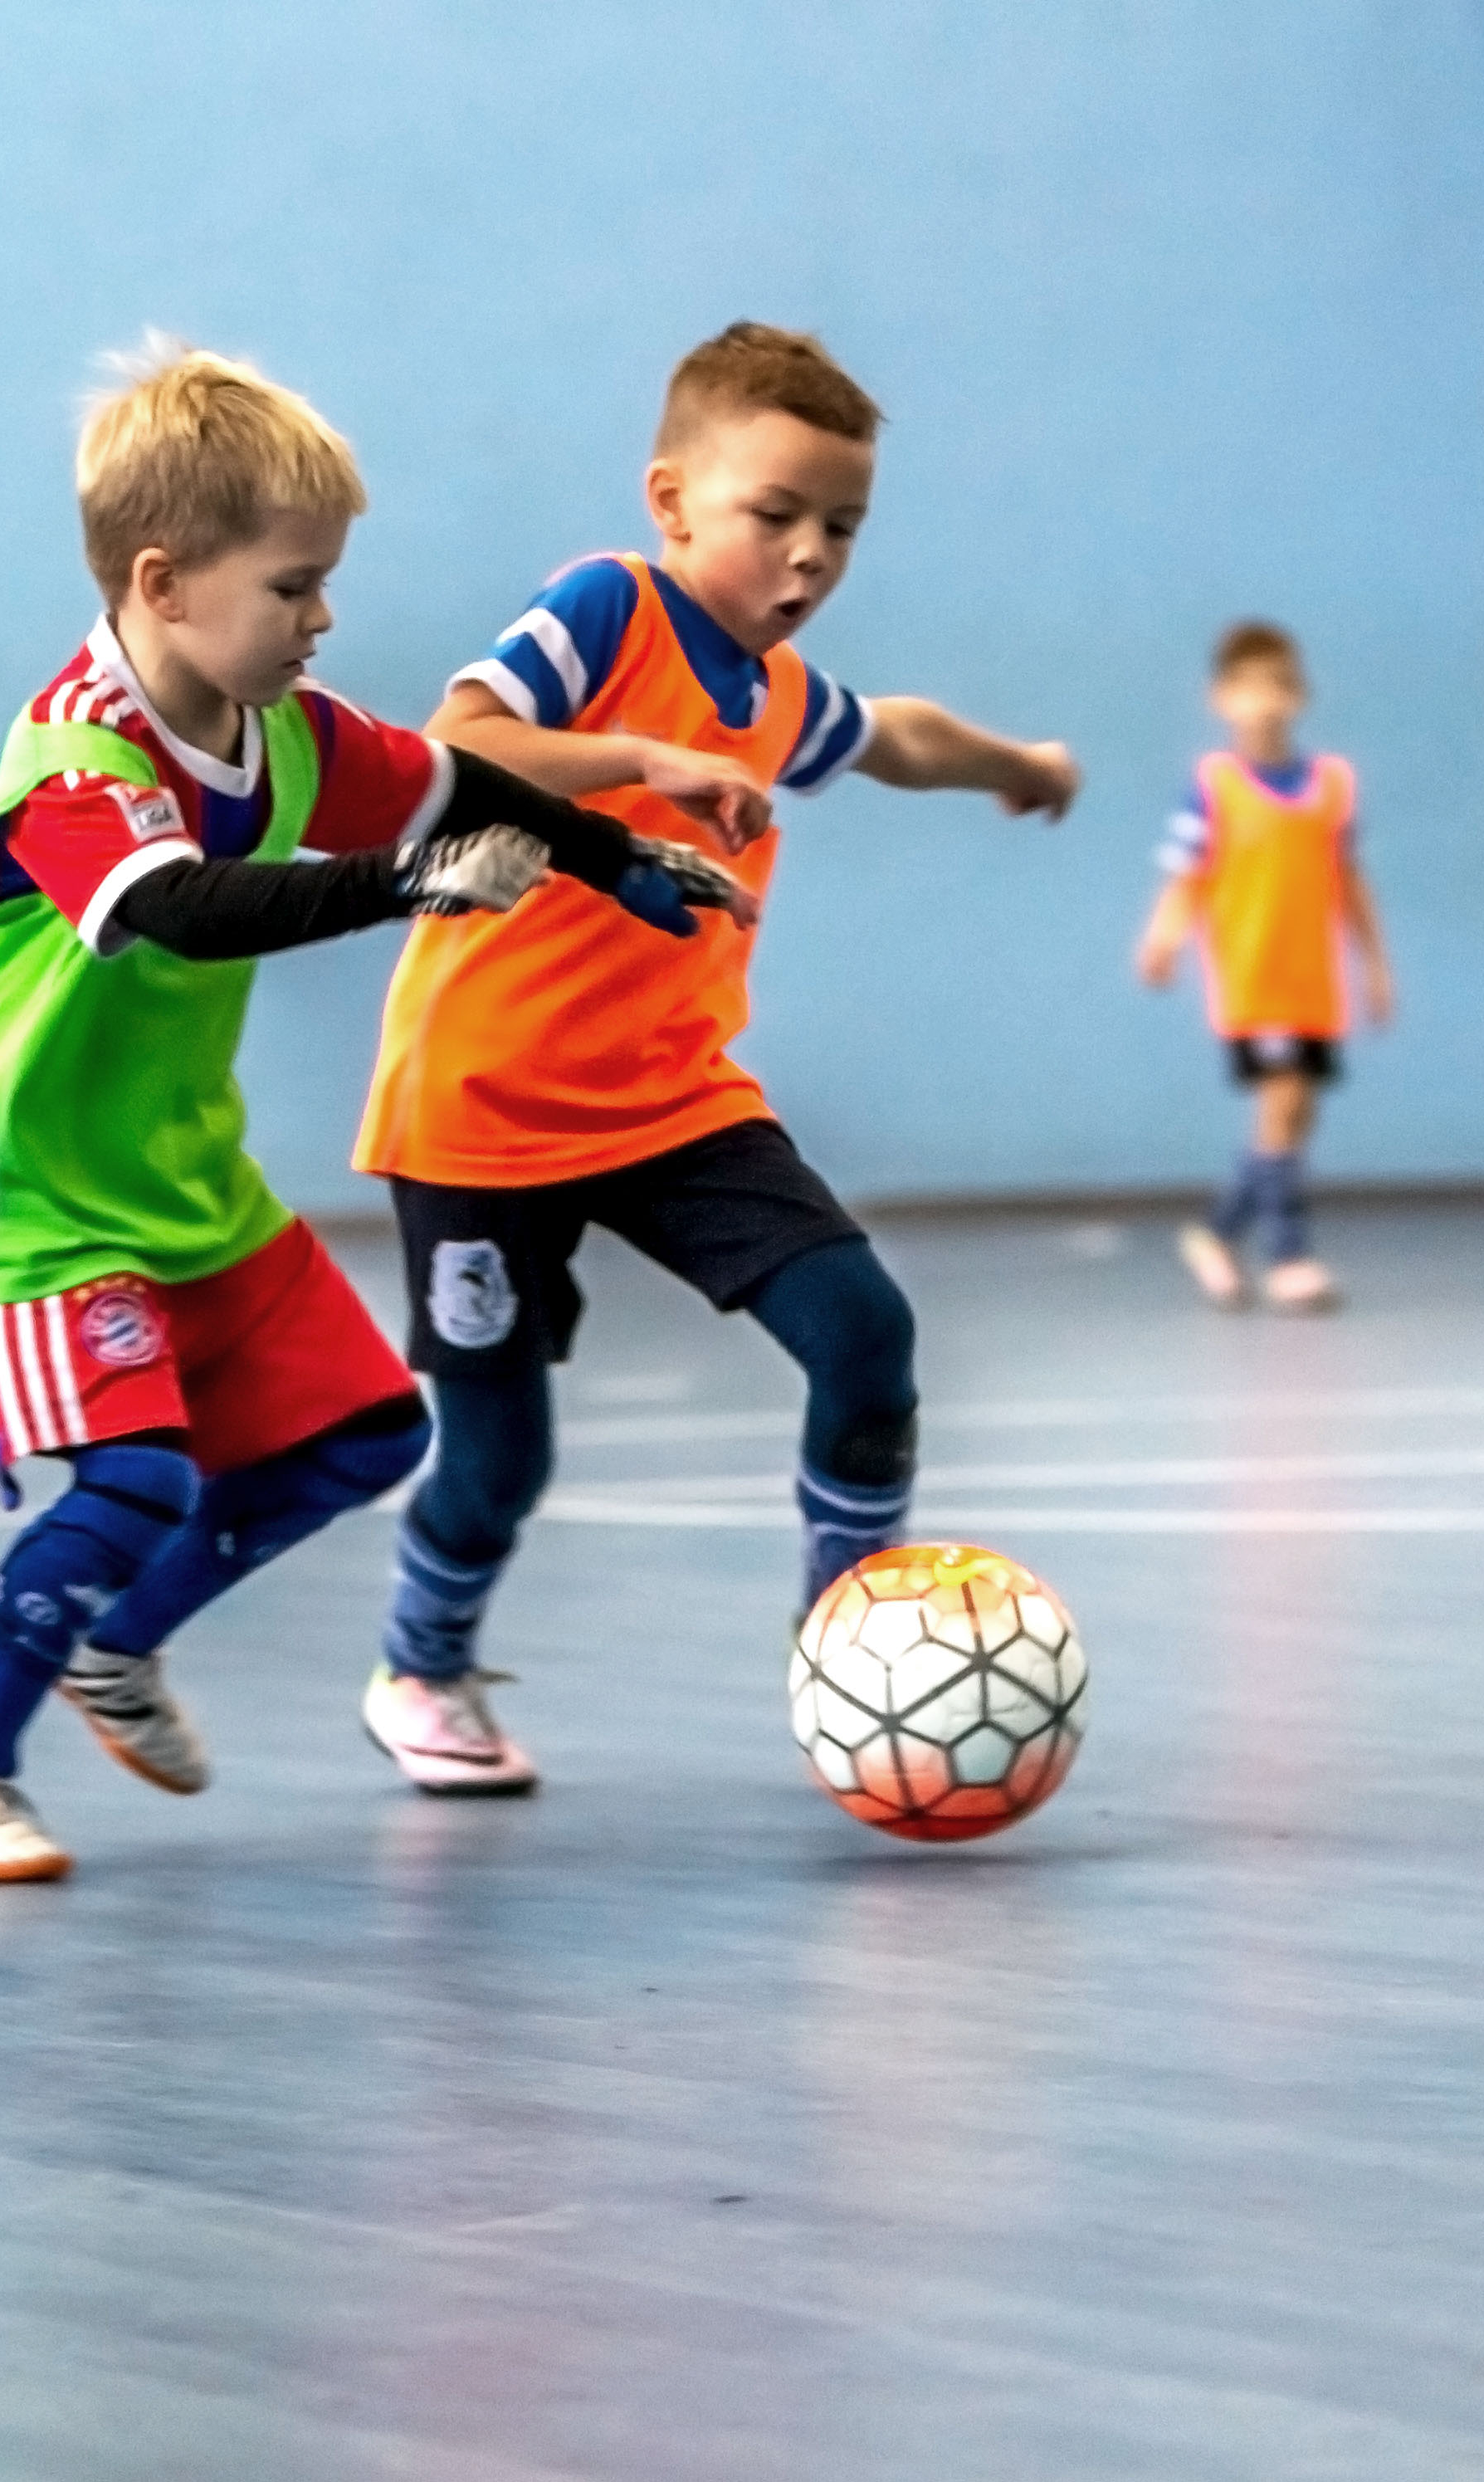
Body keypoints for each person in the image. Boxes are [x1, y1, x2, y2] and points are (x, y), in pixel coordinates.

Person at [0, 341, 752, 1882]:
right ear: (164, 583)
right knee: (135, 1478)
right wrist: (403, 891)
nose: (322, 618)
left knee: (360, 1433)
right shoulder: (73, 761)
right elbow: (186, 906)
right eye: (293, 586)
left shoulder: (283, 731)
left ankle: (113, 1642)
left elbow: (453, 788)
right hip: (39, 1197)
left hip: (181, 1180)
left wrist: (619, 855)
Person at [353, 320, 1081, 1796]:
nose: (809, 555)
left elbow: (900, 736)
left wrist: (1020, 766)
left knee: (864, 1334)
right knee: (500, 1466)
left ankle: (849, 1640)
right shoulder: (606, 609)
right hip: (480, 1107)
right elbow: (451, 747)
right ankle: (421, 1666)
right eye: (776, 516)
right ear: (673, 501)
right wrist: (640, 761)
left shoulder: (780, 689)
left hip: (673, 1097)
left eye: (843, 529)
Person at [1136, 618, 1393, 1312]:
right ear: (1221, 698)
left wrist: (1374, 965)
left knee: (1295, 1115)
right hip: (1254, 980)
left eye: (1280, 685)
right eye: (1249, 687)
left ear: (1301, 695)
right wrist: (1163, 937)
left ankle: (1217, 1234)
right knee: (1281, 1105)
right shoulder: (1214, 785)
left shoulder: (1332, 786)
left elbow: (1351, 881)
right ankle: (1289, 1257)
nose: (1266, 701)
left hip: (1316, 982)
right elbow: (1184, 874)